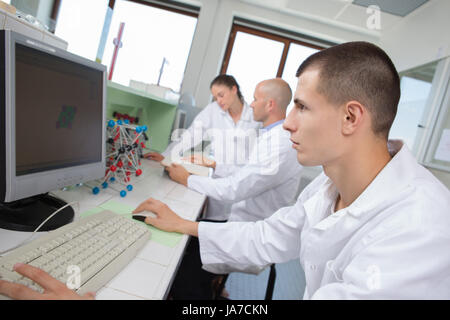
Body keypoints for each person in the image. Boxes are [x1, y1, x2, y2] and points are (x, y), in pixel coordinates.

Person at [2, 41, 450, 300]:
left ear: (351, 118)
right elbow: (270, 235)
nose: (286, 122)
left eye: (302, 107)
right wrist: (187, 224)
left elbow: (243, 192)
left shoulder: (419, 226)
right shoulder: (332, 183)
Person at [164, 78, 302, 299]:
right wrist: (214, 164)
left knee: (180, 270)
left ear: (270, 105)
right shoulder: (272, 136)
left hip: (250, 234)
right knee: (186, 240)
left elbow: (235, 188)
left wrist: (187, 179)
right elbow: (245, 174)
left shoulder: (280, 144)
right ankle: (206, 286)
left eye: (256, 99)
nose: (252, 104)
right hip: (240, 221)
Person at [145, 74, 261, 221]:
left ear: (234, 89)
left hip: (243, 182)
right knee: (213, 224)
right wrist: (167, 156)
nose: (218, 101)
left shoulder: (255, 116)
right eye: (215, 97)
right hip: (219, 181)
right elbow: (190, 135)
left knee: (237, 228)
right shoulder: (213, 110)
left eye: (221, 95)